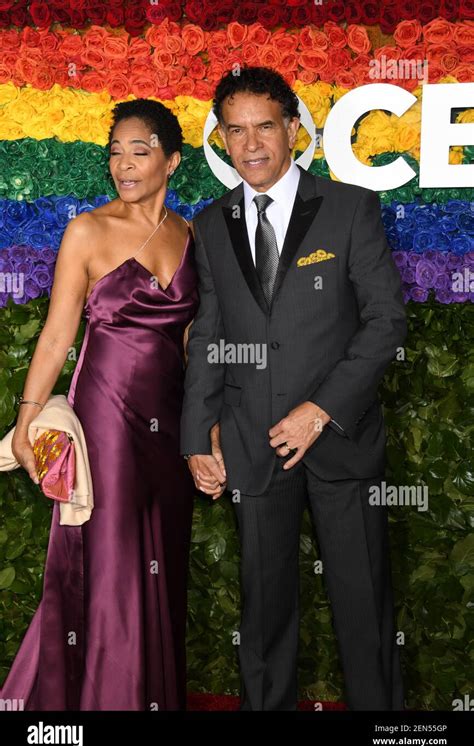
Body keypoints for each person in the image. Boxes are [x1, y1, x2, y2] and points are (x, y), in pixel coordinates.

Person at [181, 67, 407, 711]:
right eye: (236, 131)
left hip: (340, 441)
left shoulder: (349, 207)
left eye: (265, 127)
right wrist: (198, 433)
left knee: (364, 609)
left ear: (294, 130)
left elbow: (387, 321)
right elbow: (210, 335)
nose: (251, 144)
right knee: (263, 615)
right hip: (252, 446)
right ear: (221, 139)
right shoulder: (210, 224)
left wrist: (321, 410)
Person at [0, 98, 198, 710]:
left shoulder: (189, 235)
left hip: (168, 431)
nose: (123, 165)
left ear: (172, 160)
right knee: (110, 559)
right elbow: (59, 333)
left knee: (159, 559)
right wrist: (27, 418)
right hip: (104, 419)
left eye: (139, 151)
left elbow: (191, 343)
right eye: (114, 152)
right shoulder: (87, 229)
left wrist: (203, 427)